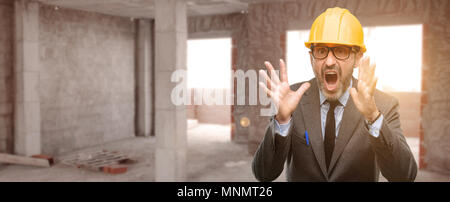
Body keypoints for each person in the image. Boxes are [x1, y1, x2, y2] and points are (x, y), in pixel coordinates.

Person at [252, 7, 417, 182]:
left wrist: (373, 117)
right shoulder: (291, 99)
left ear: (358, 58)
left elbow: (404, 176)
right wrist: (282, 121)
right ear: (312, 58)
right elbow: (264, 174)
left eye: (341, 51)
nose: (329, 62)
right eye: (321, 51)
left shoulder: (383, 104)